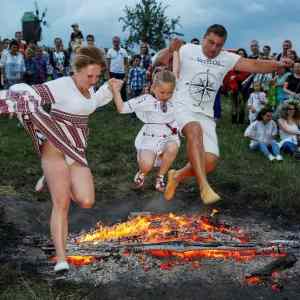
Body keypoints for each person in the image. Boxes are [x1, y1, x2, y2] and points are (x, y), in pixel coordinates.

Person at [0, 46, 122, 272]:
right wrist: (18, 92)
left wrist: (108, 88)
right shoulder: (62, 86)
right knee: (61, 203)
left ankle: (52, 179)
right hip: (54, 149)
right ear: (76, 70)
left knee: (86, 200)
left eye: (97, 76)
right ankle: (62, 258)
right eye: (89, 76)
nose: (93, 80)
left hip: (76, 152)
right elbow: (35, 93)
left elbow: (91, 104)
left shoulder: (89, 89)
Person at [154, 24, 293, 205]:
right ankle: (204, 186)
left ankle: (176, 176)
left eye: (219, 45)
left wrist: (279, 64)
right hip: (182, 107)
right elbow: (158, 61)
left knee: (210, 162)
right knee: (194, 130)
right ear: (204, 38)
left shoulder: (227, 58)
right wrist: (170, 49)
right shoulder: (187, 50)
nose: (214, 48)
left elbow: (255, 65)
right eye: (211, 42)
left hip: (206, 113)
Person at [111, 70, 180, 192]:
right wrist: (116, 91)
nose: (166, 96)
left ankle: (160, 177)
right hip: (150, 138)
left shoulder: (175, 100)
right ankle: (142, 173)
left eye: (169, 92)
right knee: (147, 165)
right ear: (153, 88)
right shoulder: (146, 100)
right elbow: (122, 108)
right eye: (162, 92)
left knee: (173, 147)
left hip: (168, 137)